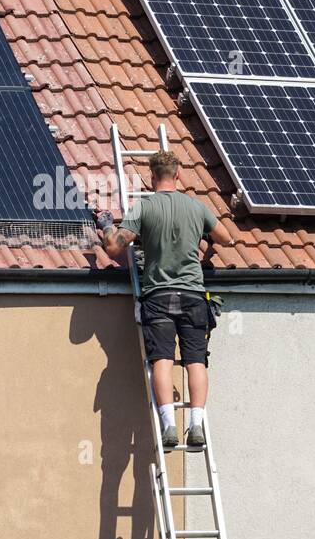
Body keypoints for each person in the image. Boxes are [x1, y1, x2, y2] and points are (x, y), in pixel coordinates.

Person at [96, 150, 231, 450]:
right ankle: (196, 424)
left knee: (163, 360)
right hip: (194, 296)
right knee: (196, 361)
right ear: (179, 174)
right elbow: (226, 238)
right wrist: (204, 242)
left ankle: (169, 425)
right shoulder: (197, 207)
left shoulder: (144, 208)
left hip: (159, 295)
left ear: (152, 177)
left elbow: (116, 248)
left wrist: (106, 225)